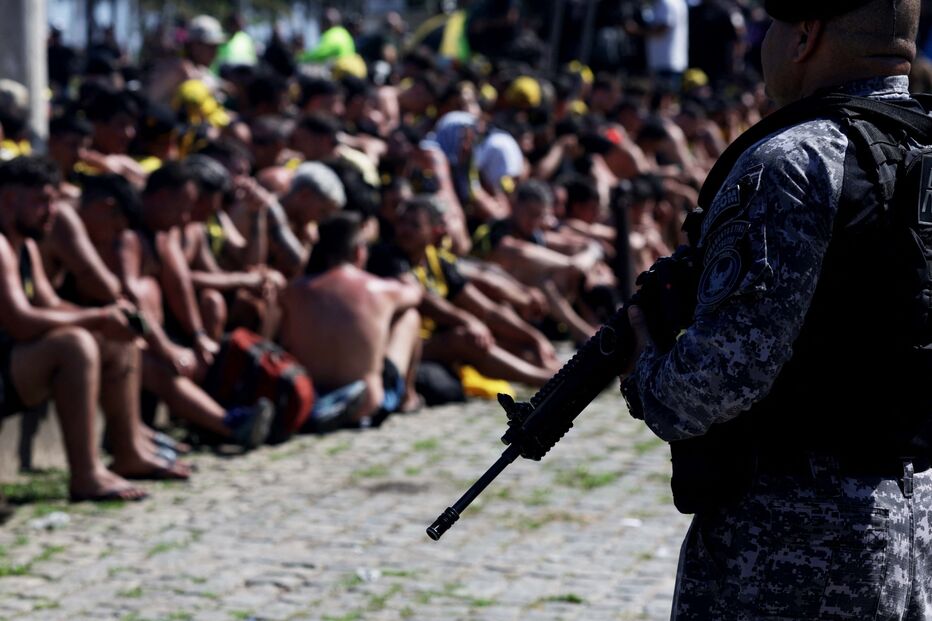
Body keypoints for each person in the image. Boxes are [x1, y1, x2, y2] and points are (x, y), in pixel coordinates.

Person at [621, 0, 932, 617]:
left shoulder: (793, 161)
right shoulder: (920, 145)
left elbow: (721, 375)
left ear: (804, 37)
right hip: (913, 515)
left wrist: (646, 369)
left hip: (789, 544)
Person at [279, 211, 423, 429]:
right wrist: (406, 277)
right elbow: (416, 294)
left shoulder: (295, 291)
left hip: (310, 394)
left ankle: (327, 401)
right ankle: (407, 398)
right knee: (410, 317)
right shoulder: (380, 289)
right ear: (358, 251)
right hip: (369, 402)